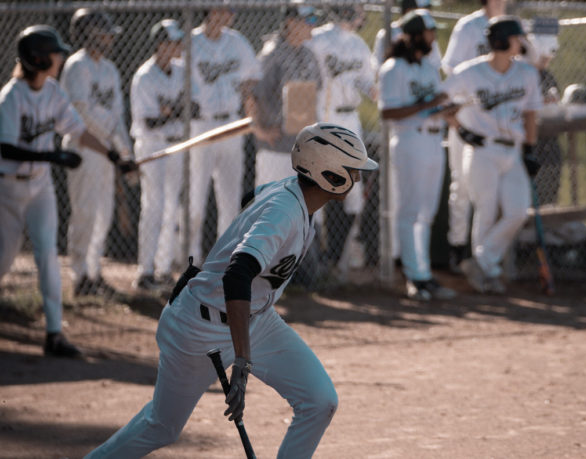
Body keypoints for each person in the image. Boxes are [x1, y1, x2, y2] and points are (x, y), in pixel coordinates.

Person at [84, 123, 378, 458]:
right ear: (331, 175)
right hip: (199, 329)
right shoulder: (285, 211)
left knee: (319, 400)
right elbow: (237, 274)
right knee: (162, 425)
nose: (357, 178)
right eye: (353, 171)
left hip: (253, 317)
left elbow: (249, 199)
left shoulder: (294, 196)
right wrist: (242, 360)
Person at [0, 25, 135, 357]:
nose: (59, 57)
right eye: (54, 52)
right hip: (8, 190)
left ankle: (54, 333)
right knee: (2, 260)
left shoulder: (53, 92)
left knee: (47, 255)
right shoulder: (12, 96)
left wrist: (113, 154)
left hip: (40, 188)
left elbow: (78, 129)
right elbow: (5, 148)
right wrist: (53, 155)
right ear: (37, 59)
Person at [441, 16, 543, 294]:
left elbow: (531, 112)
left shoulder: (526, 73)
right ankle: (488, 272)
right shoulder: (469, 72)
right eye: (515, 38)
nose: (520, 43)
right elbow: (441, 102)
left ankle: (482, 261)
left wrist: (530, 148)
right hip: (482, 150)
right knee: (485, 210)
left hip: (513, 150)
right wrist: (461, 130)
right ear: (501, 41)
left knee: (517, 211)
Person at [378, 9, 457, 302]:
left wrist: (447, 110)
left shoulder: (428, 67)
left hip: (434, 140)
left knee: (427, 213)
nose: (433, 37)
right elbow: (388, 112)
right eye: (429, 32)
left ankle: (424, 274)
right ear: (414, 36)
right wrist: (428, 104)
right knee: (410, 211)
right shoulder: (393, 68)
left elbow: (435, 103)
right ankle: (414, 276)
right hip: (410, 141)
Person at [62, 8, 134, 296]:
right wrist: (109, 144)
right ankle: (79, 276)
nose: (109, 38)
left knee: (103, 215)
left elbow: (117, 116)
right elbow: (81, 112)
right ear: (88, 34)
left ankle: (94, 273)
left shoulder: (110, 69)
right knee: (85, 212)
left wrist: (124, 153)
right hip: (84, 148)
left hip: (106, 152)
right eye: (103, 33)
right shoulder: (76, 66)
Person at [188, 5, 261, 263]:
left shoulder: (237, 41)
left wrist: (247, 98)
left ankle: (225, 258)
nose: (229, 14)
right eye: (223, 8)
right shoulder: (191, 42)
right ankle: (191, 257)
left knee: (230, 198)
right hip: (201, 125)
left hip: (231, 124)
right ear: (209, 10)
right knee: (196, 196)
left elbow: (252, 77)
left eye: (231, 9)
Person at [306, 4, 375, 268]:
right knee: (320, 182)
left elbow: (367, 79)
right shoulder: (319, 38)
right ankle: (315, 253)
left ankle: (339, 254)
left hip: (351, 117)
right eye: (356, 8)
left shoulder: (358, 43)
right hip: (325, 115)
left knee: (353, 186)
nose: (361, 13)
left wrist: (371, 89)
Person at [441, 0, 507, 272]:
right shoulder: (468, 27)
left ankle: (487, 255)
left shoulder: (512, 26)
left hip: (499, 117)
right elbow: (451, 67)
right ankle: (458, 248)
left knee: (496, 190)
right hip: (467, 113)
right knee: (463, 186)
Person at [130, 19, 196, 289]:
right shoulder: (145, 76)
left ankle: (163, 268)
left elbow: (193, 106)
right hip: (152, 146)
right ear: (160, 44)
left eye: (179, 42)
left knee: (172, 208)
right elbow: (149, 122)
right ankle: (145, 271)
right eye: (172, 42)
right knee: (154, 207)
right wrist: (176, 112)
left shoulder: (181, 71)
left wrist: (174, 112)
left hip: (175, 145)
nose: (178, 47)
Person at [249, 2, 323, 188]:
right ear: (291, 22)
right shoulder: (272, 54)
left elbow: (317, 94)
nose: (313, 25)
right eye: (309, 20)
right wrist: (259, 130)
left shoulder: (309, 54)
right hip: (276, 150)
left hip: (306, 150)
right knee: (272, 210)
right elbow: (251, 95)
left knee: (305, 211)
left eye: (314, 20)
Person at [523, 18, 562, 205]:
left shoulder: (547, 76)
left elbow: (555, 98)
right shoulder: (522, 74)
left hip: (548, 137)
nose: (545, 62)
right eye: (543, 58)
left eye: (548, 59)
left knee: (554, 160)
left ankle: (549, 208)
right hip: (529, 138)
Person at [372, 0, 442, 71]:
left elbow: (436, 64)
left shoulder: (427, 35)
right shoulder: (387, 33)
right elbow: (378, 65)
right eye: (423, 10)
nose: (427, 13)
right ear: (409, 10)